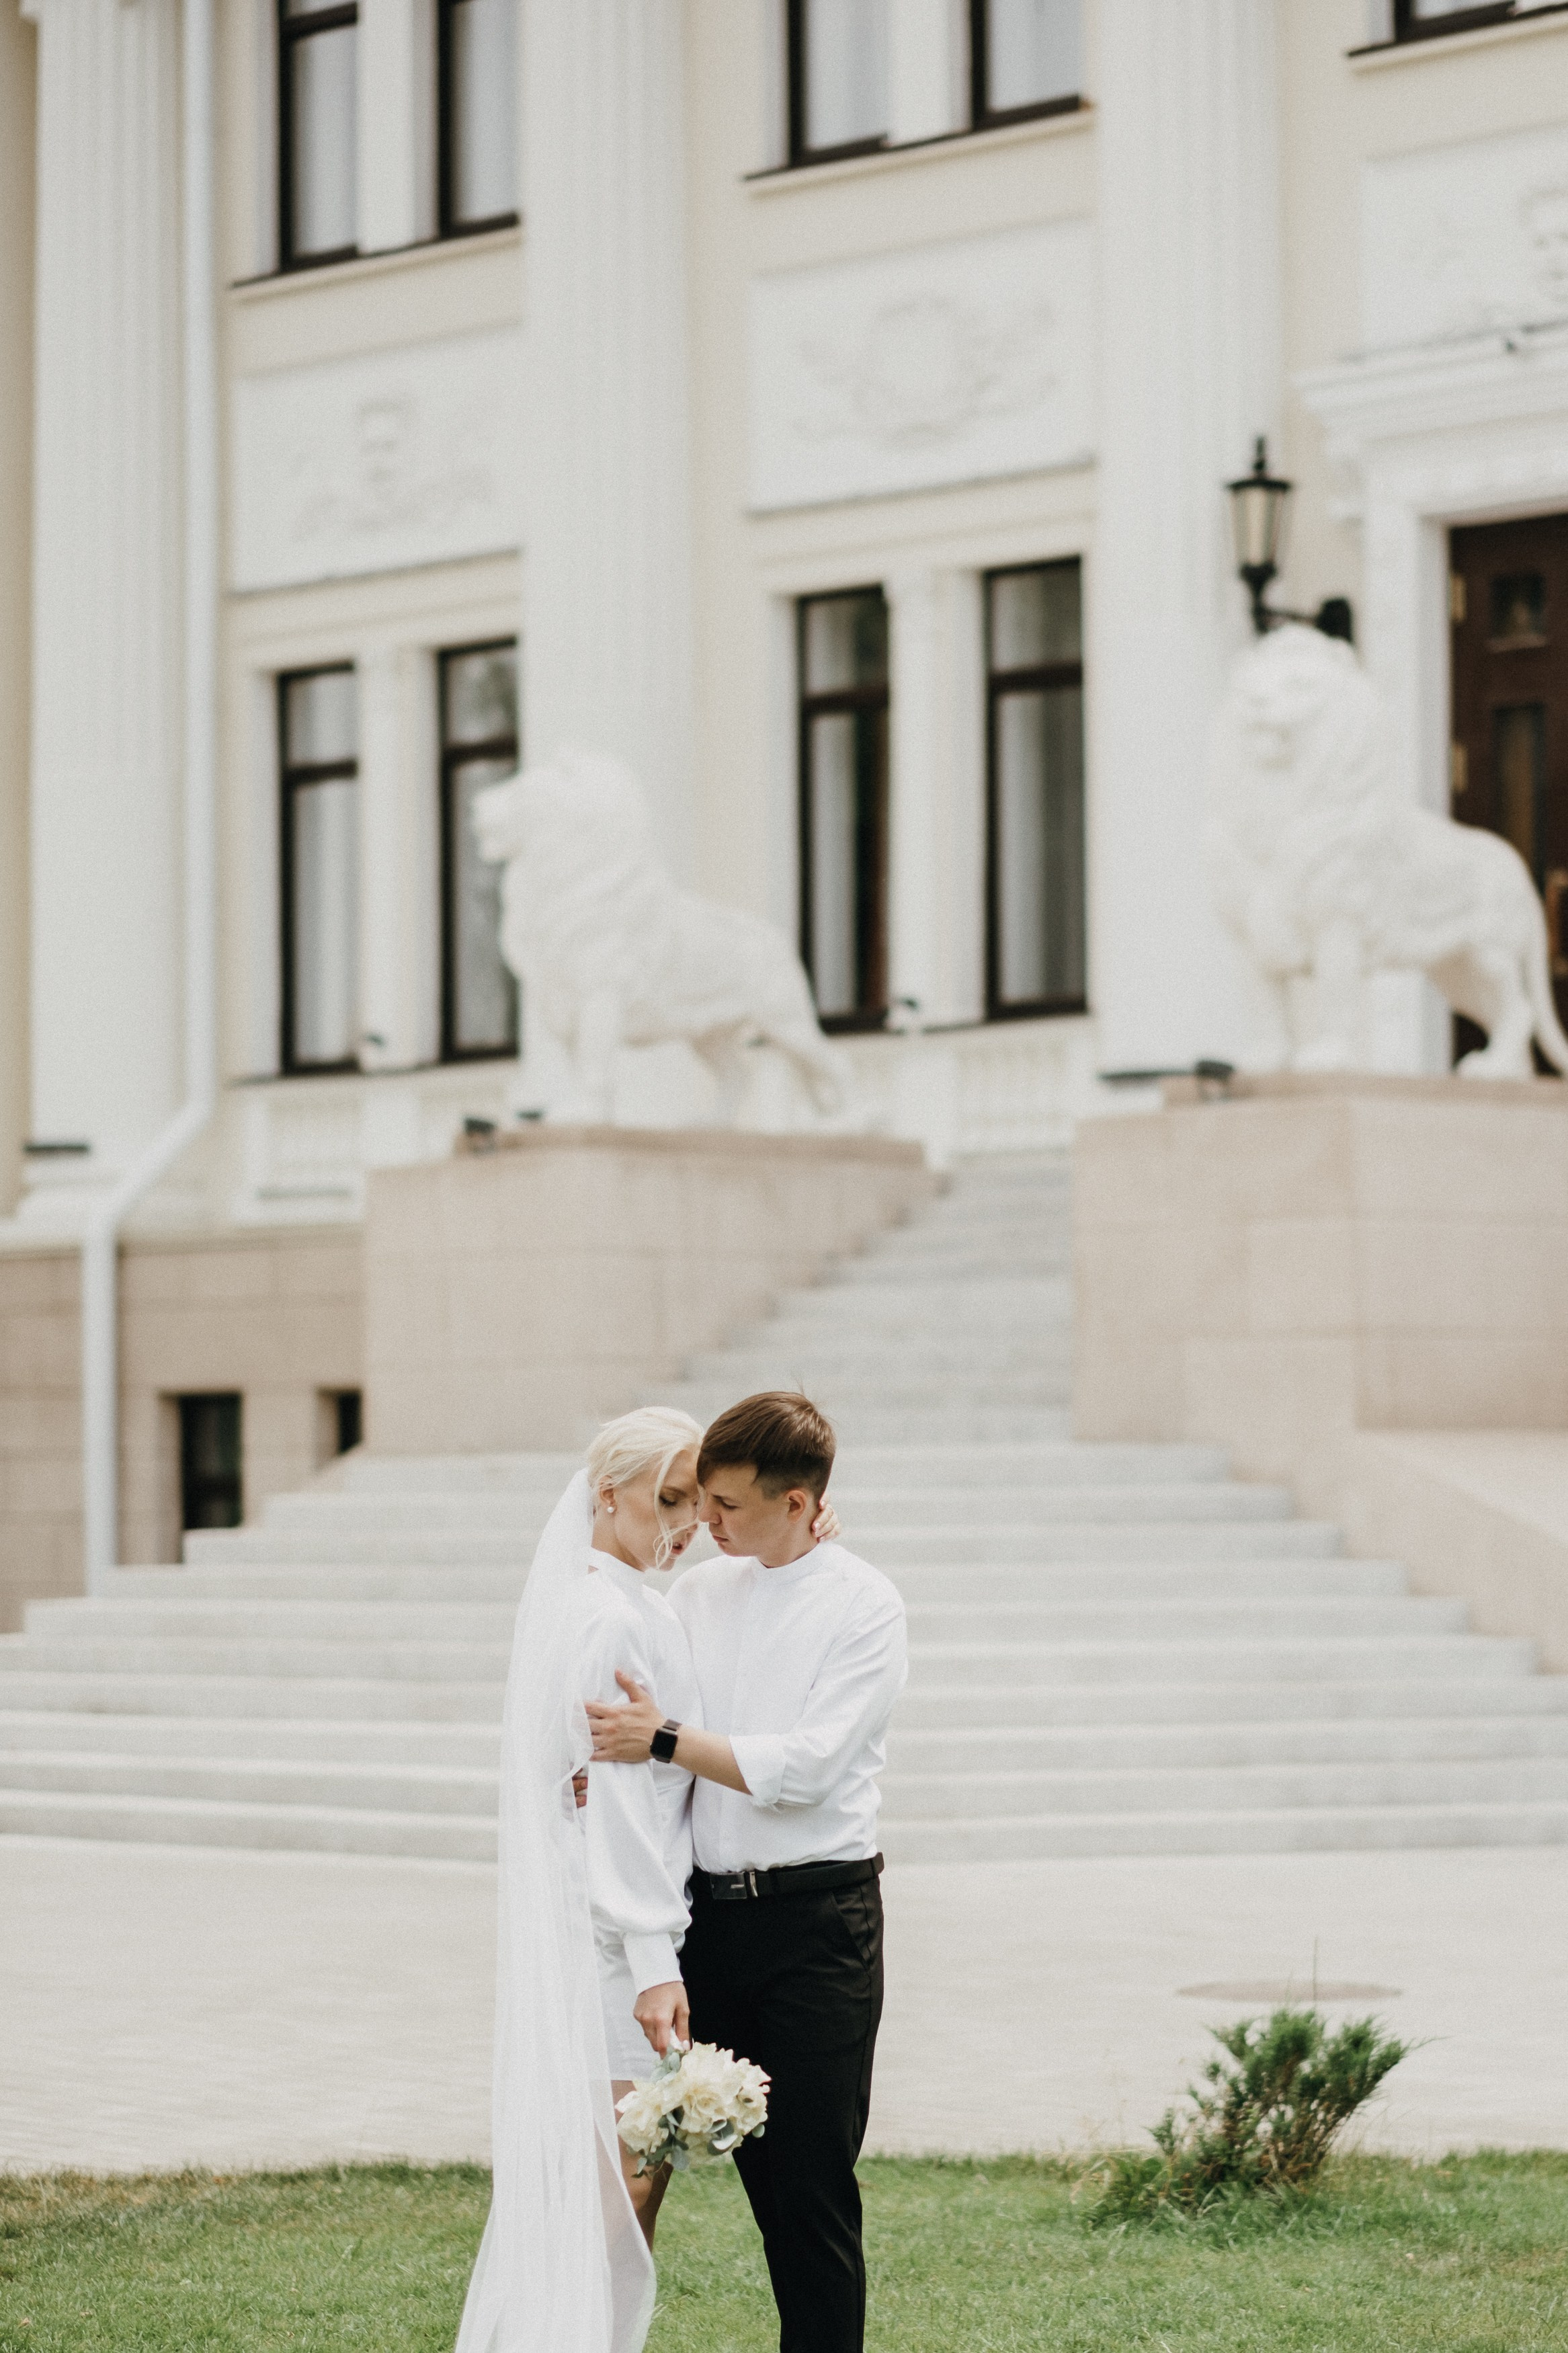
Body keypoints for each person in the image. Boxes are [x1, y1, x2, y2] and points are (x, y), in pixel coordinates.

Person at [454, 1404, 839, 2353]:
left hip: (622, 1933)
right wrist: (652, 1957)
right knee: (614, 2201)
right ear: (606, 1492)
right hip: (620, 1947)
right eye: (666, 1501)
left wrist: (813, 1529)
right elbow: (616, 1809)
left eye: (698, 1504)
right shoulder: (610, 1617)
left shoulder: (620, 1599)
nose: (683, 1527)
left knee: (618, 2198)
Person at [587, 1391, 907, 2353]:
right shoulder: (696, 1592)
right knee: (633, 2168)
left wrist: (665, 1740)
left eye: (725, 1505)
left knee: (804, 2198)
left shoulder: (866, 1604)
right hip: (702, 1926)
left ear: (802, 1504)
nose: (704, 1523)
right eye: (699, 1502)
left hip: (817, 1927)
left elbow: (805, 1770)